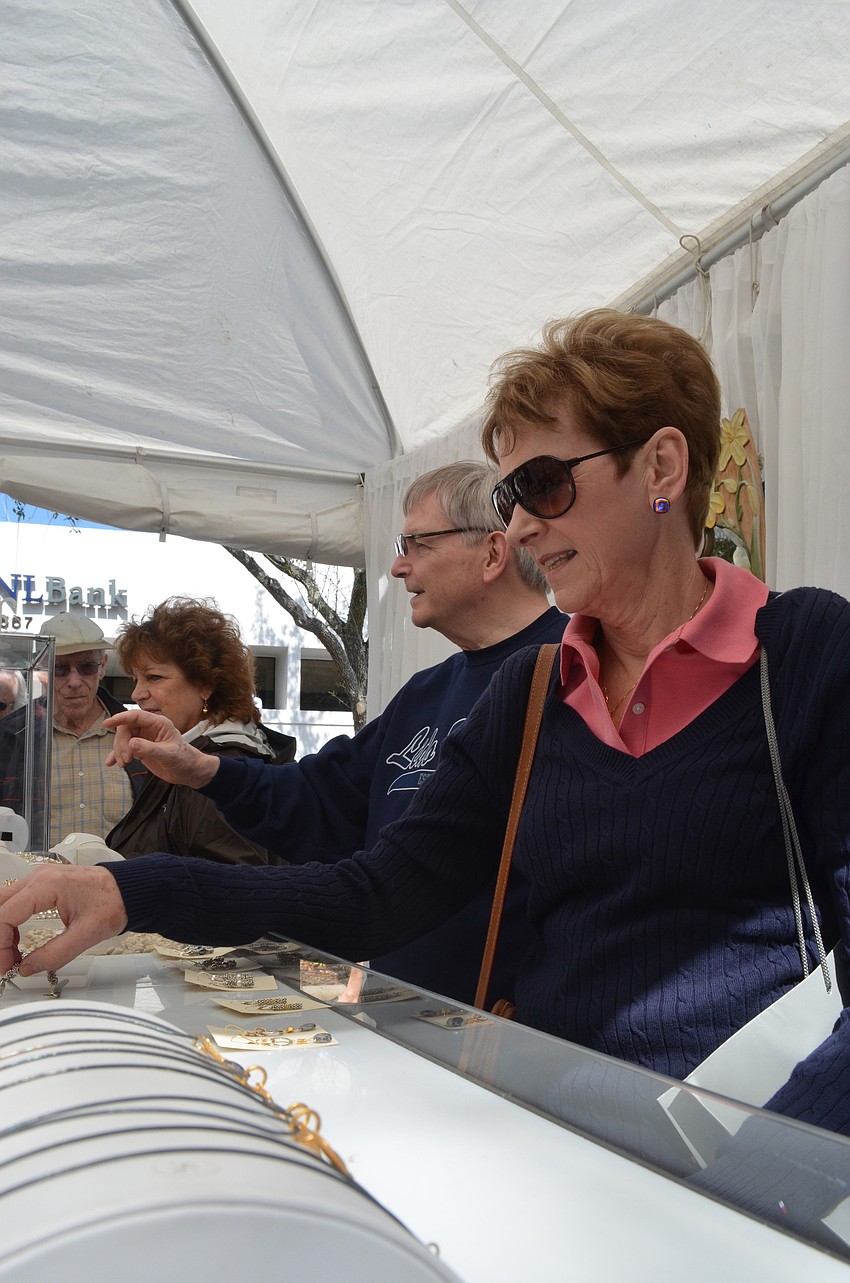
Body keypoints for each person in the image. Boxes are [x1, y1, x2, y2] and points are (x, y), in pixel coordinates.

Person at [4, 310, 849, 1145]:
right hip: (554, 1150)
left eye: (544, 484)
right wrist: (129, 890)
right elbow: (372, 893)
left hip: (751, 1187)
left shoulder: (807, 653)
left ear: (661, 464)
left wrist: (766, 1176)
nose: (519, 525)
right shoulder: (532, 691)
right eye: (511, 496)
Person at [123, 463, 564, 1001]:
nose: (399, 566)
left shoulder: (574, 674)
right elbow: (322, 797)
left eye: (418, 543)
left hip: (512, 1040)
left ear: (494, 553)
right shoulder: (426, 692)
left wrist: (139, 890)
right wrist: (204, 769)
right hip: (407, 1026)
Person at [106, 597, 295, 865]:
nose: (137, 694)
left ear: (205, 684)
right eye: (135, 679)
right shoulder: (194, 750)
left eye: (154, 677)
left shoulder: (219, 765)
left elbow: (233, 892)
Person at [0, 614, 147, 849]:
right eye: (60, 668)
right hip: (36, 883)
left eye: (86, 667)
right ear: (43, 669)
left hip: (123, 884)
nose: (74, 681)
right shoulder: (11, 736)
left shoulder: (138, 733)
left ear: (102, 668)